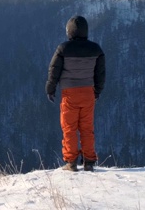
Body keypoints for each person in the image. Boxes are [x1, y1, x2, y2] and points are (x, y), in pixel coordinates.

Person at [45, 15, 105, 172]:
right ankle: (89, 162)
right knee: (86, 128)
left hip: (69, 94)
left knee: (69, 128)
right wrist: (97, 91)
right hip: (88, 93)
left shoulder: (63, 49)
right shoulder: (96, 49)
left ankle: (71, 162)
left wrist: (50, 89)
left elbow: (54, 71)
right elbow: (100, 74)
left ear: (69, 31)